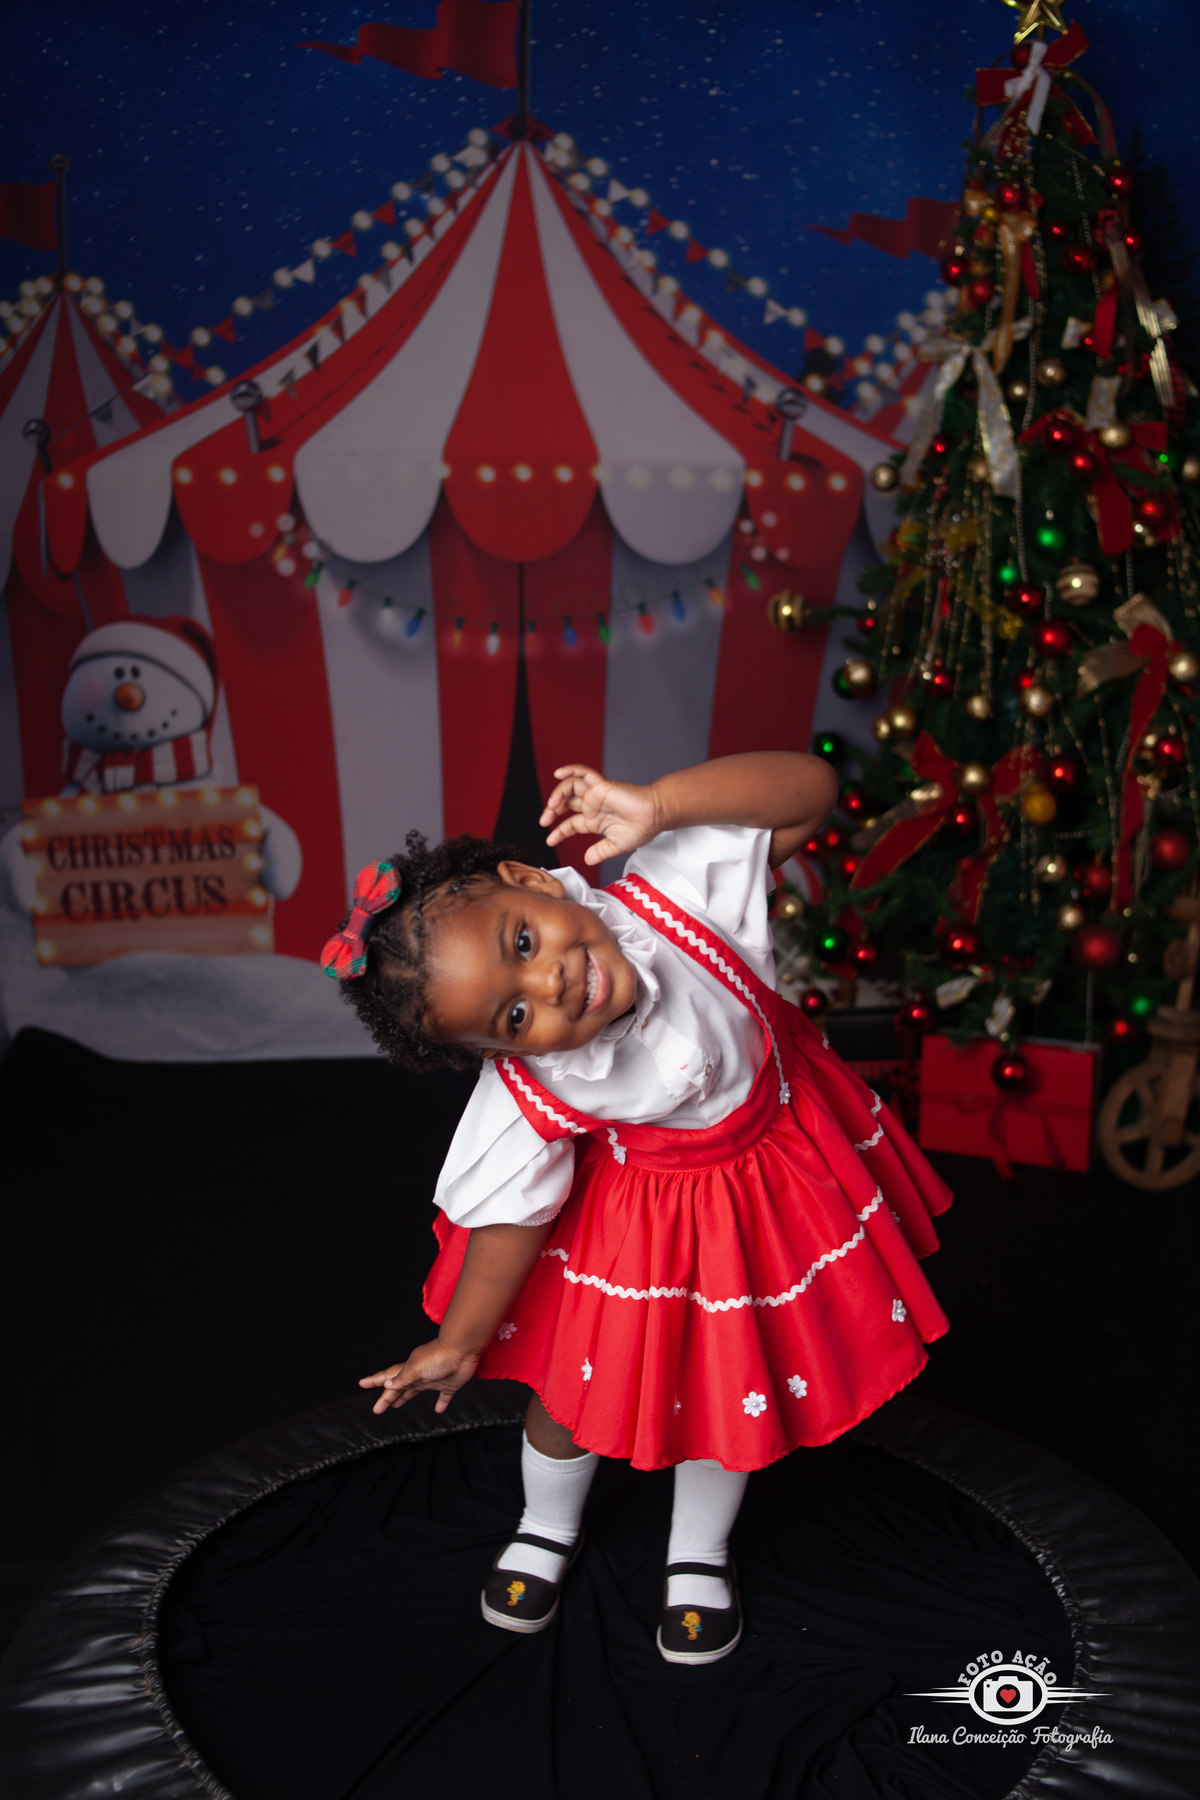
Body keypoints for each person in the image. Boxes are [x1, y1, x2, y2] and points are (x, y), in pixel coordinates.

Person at [322, 753, 951, 1665]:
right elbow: (511, 1218)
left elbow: (813, 792)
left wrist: (659, 806)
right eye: (511, 1019)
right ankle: (546, 1523)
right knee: (573, 1396)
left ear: (534, 880)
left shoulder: (672, 896)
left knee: (734, 1383)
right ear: (505, 1053)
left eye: (524, 944)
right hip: (641, 1224)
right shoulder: (542, 1081)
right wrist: (458, 1340)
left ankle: (698, 1550)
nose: (548, 992)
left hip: (766, 1186)